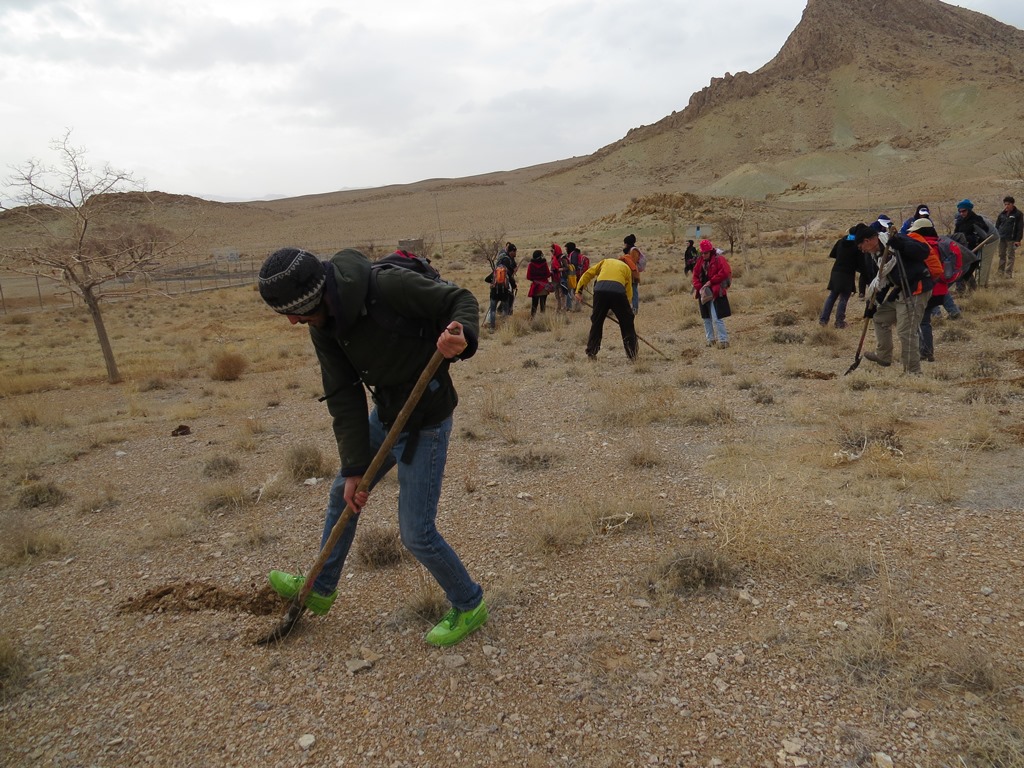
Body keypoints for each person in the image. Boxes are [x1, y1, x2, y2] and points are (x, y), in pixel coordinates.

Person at [257, 247, 488, 647]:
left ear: (314, 296)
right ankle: (321, 586)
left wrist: (461, 334)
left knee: (416, 533)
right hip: (386, 416)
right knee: (340, 495)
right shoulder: (323, 325)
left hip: (425, 420)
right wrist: (352, 468)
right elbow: (343, 394)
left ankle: (469, 603)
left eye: (295, 312)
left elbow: (460, 299)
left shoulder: (387, 286)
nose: (293, 321)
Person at [854, 223, 933, 374]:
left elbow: (924, 251)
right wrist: (874, 304)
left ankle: (913, 371)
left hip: (916, 288)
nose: (862, 250)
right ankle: (884, 356)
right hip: (901, 290)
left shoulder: (896, 240)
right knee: (879, 317)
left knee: (906, 331)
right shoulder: (877, 255)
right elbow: (885, 280)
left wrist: (901, 245)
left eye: (860, 246)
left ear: (867, 241)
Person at [574, 256, 638, 360]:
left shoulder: (605, 262)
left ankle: (591, 352)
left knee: (597, 322)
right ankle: (632, 355)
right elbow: (628, 290)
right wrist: (627, 309)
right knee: (627, 323)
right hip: (618, 292)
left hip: (600, 291)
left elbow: (588, 274)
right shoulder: (626, 268)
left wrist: (578, 291)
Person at [904, 218, 946, 362]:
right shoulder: (938, 242)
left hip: (925, 287)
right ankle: (926, 351)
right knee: (925, 321)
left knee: (920, 321)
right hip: (938, 288)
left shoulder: (920, 245)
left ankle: (925, 351)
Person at [819, 226, 862, 329]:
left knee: (832, 295)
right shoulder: (857, 245)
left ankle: (823, 320)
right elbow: (860, 262)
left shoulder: (840, 241)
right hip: (847, 273)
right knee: (844, 297)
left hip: (836, 271)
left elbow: (832, 254)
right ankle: (839, 322)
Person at [691, 239, 732, 349]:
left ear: (711, 251)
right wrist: (700, 287)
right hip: (703, 293)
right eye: (702, 253)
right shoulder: (700, 261)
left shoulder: (719, 259)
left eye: (706, 253)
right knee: (706, 318)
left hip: (715, 291)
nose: (704, 255)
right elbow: (695, 276)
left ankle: (723, 340)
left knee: (717, 317)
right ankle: (710, 340)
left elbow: (725, 272)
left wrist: (710, 282)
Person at [954, 199, 994, 288]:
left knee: (968, 268)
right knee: (961, 268)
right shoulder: (960, 220)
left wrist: (972, 238)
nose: (961, 213)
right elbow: (956, 233)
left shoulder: (977, 219)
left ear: (969, 210)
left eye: (963, 211)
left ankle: (966, 289)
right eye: (960, 211)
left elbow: (984, 233)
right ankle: (967, 289)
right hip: (961, 247)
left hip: (973, 247)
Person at [484, 243, 518, 329]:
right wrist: (514, 286)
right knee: (505, 310)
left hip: (494, 293)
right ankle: (504, 327)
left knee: (492, 310)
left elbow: (486, 279)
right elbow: (512, 283)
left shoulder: (495, 271)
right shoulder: (507, 272)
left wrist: (493, 283)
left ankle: (492, 327)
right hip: (504, 294)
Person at [858, 215, 890, 298]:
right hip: (871, 252)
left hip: (878, 253)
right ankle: (869, 289)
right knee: (870, 270)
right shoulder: (874, 228)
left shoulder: (882, 228)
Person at [995, 195, 1022, 278]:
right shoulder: (1002, 214)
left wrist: (1018, 240)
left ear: (1012, 204)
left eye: (1008, 204)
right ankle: (1000, 273)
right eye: (1005, 204)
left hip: (1012, 239)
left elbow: (1020, 228)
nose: (1006, 206)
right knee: (1001, 255)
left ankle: (1008, 274)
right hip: (1002, 237)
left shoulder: (1018, 214)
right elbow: (997, 225)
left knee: (1010, 256)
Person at [526, 249, 551, 317]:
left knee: (534, 305)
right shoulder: (544, 264)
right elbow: (548, 274)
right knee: (543, 305)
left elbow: (528, 277)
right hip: (544, 287)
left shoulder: (531, 265)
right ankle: (542, 319)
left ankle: (532, 318)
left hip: (535, 287)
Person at [623, 234, 644, 314]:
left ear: (627, 243)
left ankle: (635, 308)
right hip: (629, 275)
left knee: (634, 292)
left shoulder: (633, 251)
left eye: (625, 243)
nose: (624, 245)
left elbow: (632, 262)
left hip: (633, 275)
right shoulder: (629, 251)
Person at [563, 242, 581, 312]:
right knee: (574, 291)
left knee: (571, 291)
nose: (566, 249)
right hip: (575, 275)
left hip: (573, 275)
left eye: (566, 248)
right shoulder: (574, 254)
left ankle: (571, 307)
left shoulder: (573, 255)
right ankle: (575, 306)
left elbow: (573, 266)